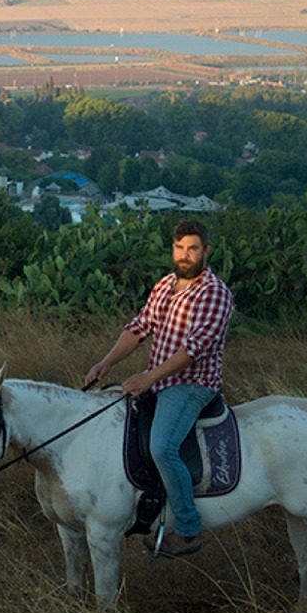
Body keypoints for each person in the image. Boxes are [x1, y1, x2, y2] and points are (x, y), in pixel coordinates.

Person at [84, 219, 233, 557]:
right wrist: (107, 363)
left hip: (192, 384)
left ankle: (187, 528)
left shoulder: (214, 293)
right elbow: (138, 329)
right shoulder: (165, 285)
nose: (185, 255)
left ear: (206, 251)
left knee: (162, 447)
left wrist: (148, 378)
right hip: (160, 380)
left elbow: (193, 350)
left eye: (193, 249)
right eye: (180, 248)